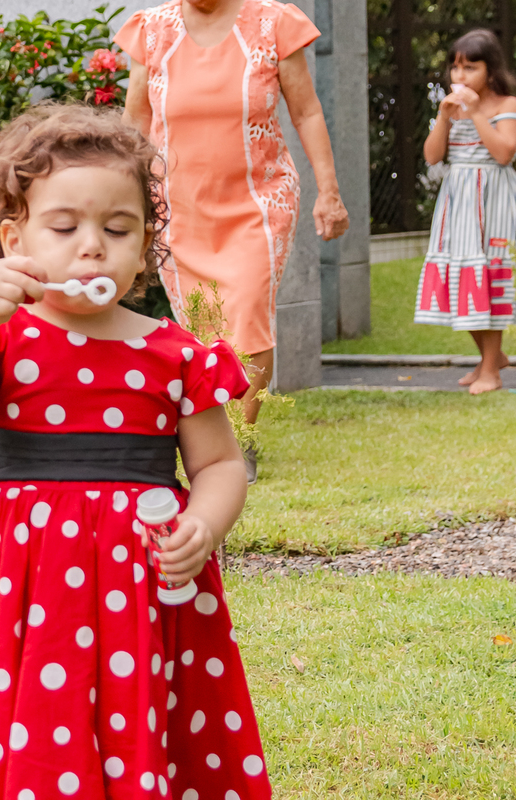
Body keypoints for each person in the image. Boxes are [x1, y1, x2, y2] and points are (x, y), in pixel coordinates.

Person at [0, 104, 270, 800]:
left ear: (146, 245)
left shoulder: (173, 354)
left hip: (140, 587)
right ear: (14, 238)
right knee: (5, 714)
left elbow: (219, 465)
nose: (92, 247)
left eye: (118, 229)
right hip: (7, 584)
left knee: (130, 714)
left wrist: (206, 522)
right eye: (64, 227)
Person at [116, 0, 350, 483]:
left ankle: (243, 439)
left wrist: (329, 192)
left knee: (246, 314)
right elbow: (135, 122)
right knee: (205, 330)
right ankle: (212, 439)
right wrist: (120, 201)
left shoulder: (274, 24)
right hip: (178, 207)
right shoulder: (152, 30)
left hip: (258, 203)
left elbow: (306, 112)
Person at [416, 28, 516, 394]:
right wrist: (444, 118)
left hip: (493, 199)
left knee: (489, 278)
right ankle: (490, 359)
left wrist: (476, 112)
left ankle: (491, 370)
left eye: (470, 68)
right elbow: (432, 156)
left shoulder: (507, 105)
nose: (459, 77)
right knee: (462, 279)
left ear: (490, 71)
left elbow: (504, 153)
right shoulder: (450, 106)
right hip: (457, 201)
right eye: (455, 68)